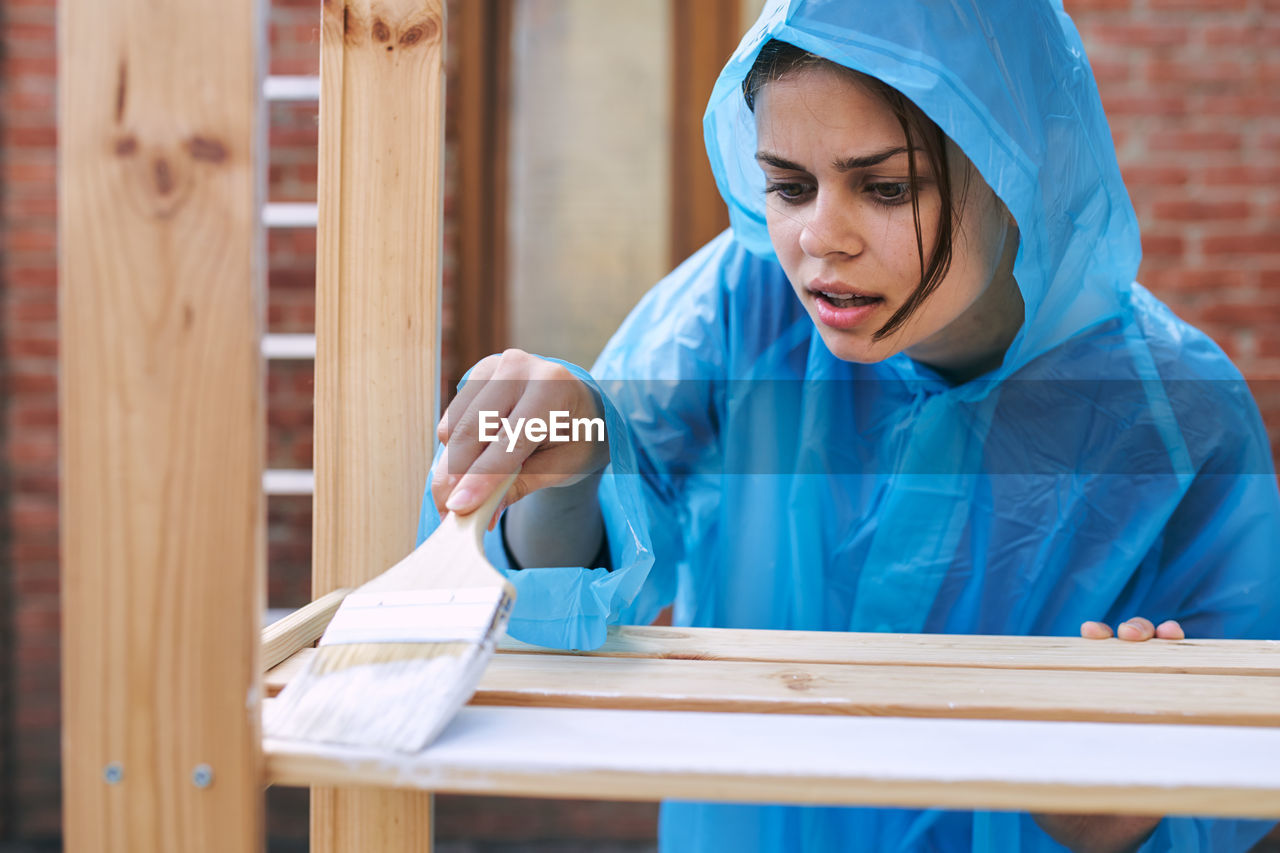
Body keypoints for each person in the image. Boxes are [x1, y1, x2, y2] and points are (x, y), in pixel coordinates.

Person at [422, 1, 1280, 850]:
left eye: (886, 187)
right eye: (788, 186)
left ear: (1025, 166)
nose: (818, 240)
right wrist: (572, 462)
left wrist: (1132, 819)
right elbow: (570, 588)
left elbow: (1239, 774)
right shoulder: (737, 309)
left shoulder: (1177, 418)